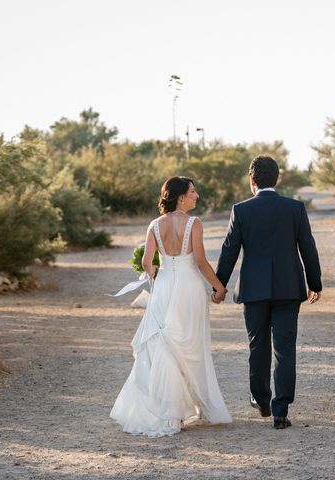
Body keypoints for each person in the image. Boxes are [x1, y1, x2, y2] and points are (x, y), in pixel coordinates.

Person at [110, 176, 232, 437]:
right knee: (190, 347)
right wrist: (219, 288)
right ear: (180, 196)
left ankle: (169, 412)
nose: (196, 196)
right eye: (192, 191)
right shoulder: (194, 224)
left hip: (165, 286)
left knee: (163, 346)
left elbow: (146, 262)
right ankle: (194, 407)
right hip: (188, 288)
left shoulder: (154, 225)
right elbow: (200, 262)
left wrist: (154, 273)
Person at [214, 156, 322, 429]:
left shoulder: (241, 210)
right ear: (277, 179)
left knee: (257, 345)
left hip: (254, 289)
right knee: (285, 348)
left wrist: (219, 285)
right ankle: (281, 410)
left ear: (252, 181)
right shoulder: (294, 208)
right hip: (288, 287)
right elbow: (307, 246)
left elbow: (230, 250)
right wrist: (315, 283)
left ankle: (261, 400)